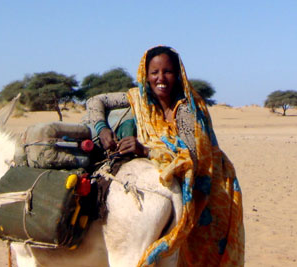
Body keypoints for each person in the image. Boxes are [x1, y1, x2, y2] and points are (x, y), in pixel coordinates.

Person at [84, 46, 244, 266]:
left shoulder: (187, 108)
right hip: (169, 171)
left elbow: (192, 158)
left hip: (207, 182)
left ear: (178, 75)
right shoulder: (138, 98)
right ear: (145, 75)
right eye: (154, 72)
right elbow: (95, 101)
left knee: (204, 253)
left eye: (167, 71)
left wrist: (145, 150)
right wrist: (102, 128)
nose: (161, 78)